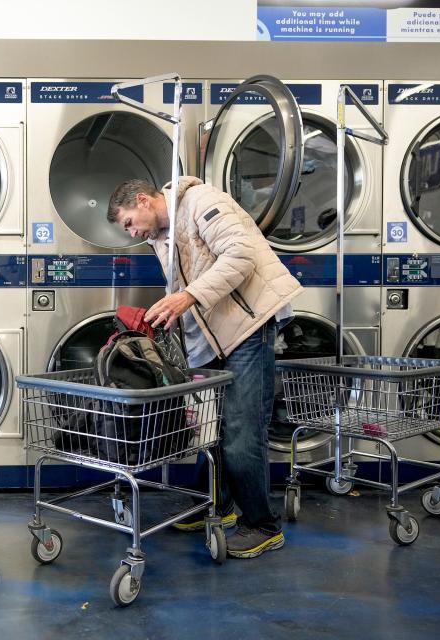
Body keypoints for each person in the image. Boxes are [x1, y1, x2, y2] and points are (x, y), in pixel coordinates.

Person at [107, 176, 302, 559]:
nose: (131, 232)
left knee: (243, 428)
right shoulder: (158, 236)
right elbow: (187, 289)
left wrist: (187, 296)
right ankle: (218, 505)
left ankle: (262, 525)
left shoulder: (200, 201)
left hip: (249, 325)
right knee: (210, 427)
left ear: (144, 200)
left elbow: (241, 255)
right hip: (211, 337)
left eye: (129, 222)